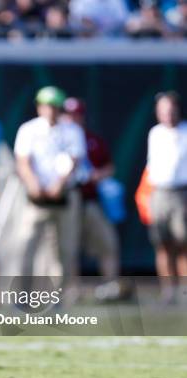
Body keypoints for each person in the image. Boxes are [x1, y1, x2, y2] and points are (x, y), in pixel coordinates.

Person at [14, 86, 86, 285]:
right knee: (26, 245)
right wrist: (33, 184)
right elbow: (22, 161)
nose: (51, 111)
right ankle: (22, 295)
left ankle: (56, 298)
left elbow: (74, 160)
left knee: (63, 250)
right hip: (36, 198)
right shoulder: (28, 129)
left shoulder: (73, 130)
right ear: (39, 107)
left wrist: (59, 185)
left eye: (55, 106)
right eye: (47, 106)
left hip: (65, 197)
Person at [63, 98, 120, 283]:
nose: (72, 119)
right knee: (67, 248)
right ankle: (71, 290)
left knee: (107, 243)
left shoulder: (92, 139)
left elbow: (110, 167)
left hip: (89, 200)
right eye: (69, 114)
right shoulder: (56, 140)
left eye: (76, 115)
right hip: (64, 201)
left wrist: (97, 174)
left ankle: (110, 285)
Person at [146, 91, 187, 304]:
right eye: (163, 110)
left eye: (171, 110)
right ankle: (167, 292)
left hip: (182, 194)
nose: (167, 115)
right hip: (159, 194)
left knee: (183, 245)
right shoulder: (155, 133)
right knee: (163, 245)